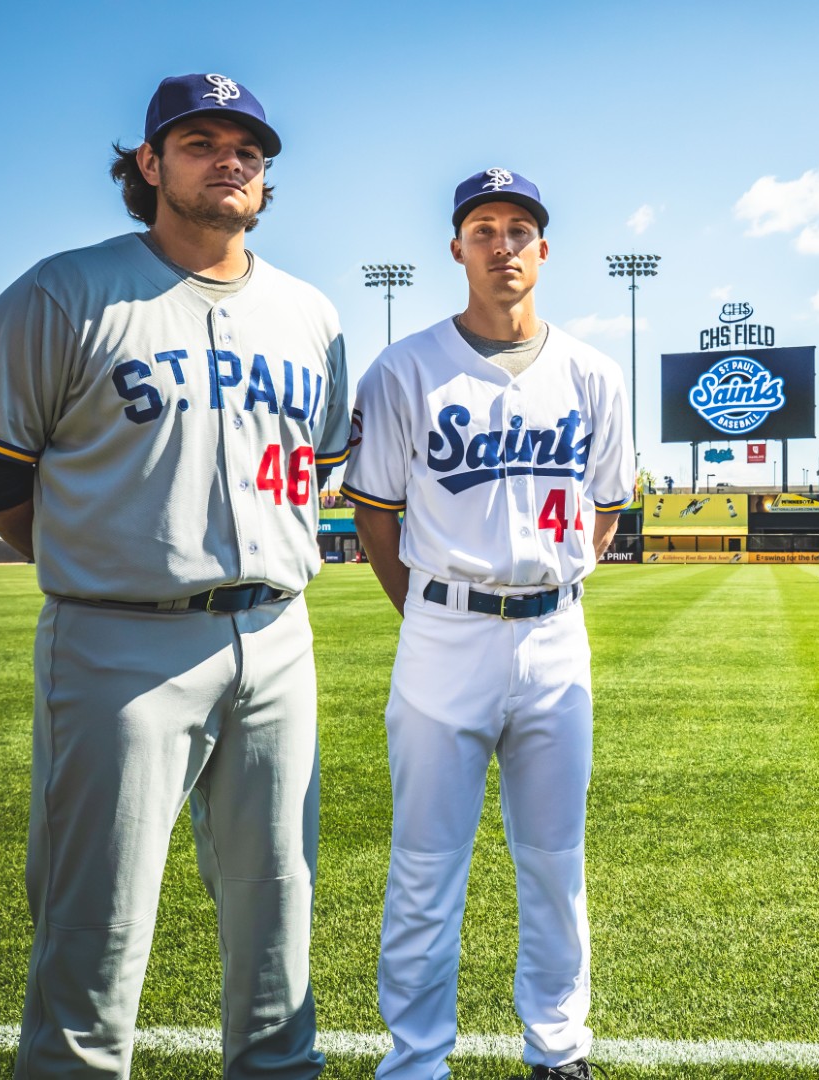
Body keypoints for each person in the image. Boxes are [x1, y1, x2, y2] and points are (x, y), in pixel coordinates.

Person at [0, 73, 349, 1078]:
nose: (231, 159)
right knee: (96, 923)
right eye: (201, 140)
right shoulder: (64, 289)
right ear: (149, 164)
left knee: (281, 906)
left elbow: (324, 463)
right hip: (119, 642)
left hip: (279, 636)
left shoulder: (312, 314)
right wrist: (92, 551)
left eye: (248, 146)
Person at [342, 168, 635, 1080]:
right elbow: (376, 515)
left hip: (556, 635)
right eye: (483, 228)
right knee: (427, 869)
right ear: (458, 248)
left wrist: (554, 588)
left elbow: (609, 507)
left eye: (519, 229)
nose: (502, 244)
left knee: (555, 863)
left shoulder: (592, 371)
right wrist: (431, 613)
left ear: (543, 249)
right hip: (444, 633)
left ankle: (559, 1050)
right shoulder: (404, 368)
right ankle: (417, 1061)